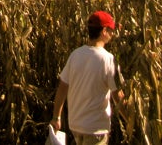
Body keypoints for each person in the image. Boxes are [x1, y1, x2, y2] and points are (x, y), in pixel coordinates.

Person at [50, 11, 126, 145]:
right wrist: (132, 121)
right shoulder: (108, 60)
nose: (113, 33)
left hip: (76, 126)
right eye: (111, 30)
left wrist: (56, 117)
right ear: (104, 31)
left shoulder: (75, 55)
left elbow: (62, 88)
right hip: (95, 129)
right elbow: (117, 96)